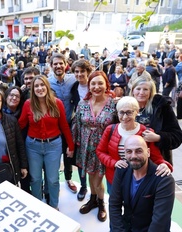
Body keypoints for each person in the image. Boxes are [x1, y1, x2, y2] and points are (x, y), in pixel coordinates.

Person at [19, 75, 74, 210]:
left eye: (42, 85)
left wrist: (71, 146)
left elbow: (64, 126)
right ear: (33, 89)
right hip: (33, 146)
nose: (40, 88)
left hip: (53, 146)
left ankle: (54, 205)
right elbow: (20, 125)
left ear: (47, 87)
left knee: (53, 179)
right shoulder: (28, 104)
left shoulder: (57, 103)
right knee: (36, 179)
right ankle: (38, 207)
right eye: (36, 86)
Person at [97, 96, 173, 194]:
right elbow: (100, 151)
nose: (124, 117)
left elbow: (155, 156)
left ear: (136, 112)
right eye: (121, 112)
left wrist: (164, 164)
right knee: (115, 204)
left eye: (129, 112)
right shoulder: (110, 130)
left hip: (139, 180)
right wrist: (114, 163)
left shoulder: (146, 132)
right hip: (115, 178)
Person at [71, 70, 116, 221]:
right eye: (93, 83)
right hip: (86, 148)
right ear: (89, 86)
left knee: (99, 179)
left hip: (104, 148)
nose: (96, 87)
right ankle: (93, 199)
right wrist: (72, 145)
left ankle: (102, 203)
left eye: (100, 83)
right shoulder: (82, 103)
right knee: (91, 175)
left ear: (106, 85)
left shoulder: (113, 104)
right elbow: (76, 124)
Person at [109, 135, 175, 232]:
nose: (133, 156)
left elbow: (159, 222)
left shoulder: (164, 180)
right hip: (126, 227)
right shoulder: (122, 170)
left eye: (139, 151)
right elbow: (114, 204)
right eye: (129, 151)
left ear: (148, 152)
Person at [130, 75, 182, 164]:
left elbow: (177, 136)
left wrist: (158, 137)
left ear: (151, 92)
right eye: (138, 89)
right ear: (133, 91)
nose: (141, 92)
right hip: (130, 159)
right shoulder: (124, 108)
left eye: (145, 89)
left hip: (156, 161)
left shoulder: (162, 108)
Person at [48, 53, 77, 194]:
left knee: (68, 154)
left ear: (66, 64)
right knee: (52, 156)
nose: (58, 66)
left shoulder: (73, 79)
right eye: (55, 64)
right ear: (51, 66)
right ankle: (51, 183)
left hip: (70, 123)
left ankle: (68, 178)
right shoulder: (47, 82)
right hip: (53, 126)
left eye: (61, 63)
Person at [70, 60, 92, 201]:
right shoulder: (73, 88)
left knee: (96, 162)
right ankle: (83, 186)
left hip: (96, 128)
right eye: (76, 72)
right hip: (81, 129)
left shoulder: (95, 85)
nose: (79, 74)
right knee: (81, 160)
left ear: (87, 72)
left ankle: (96, 193)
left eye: (82, 71)